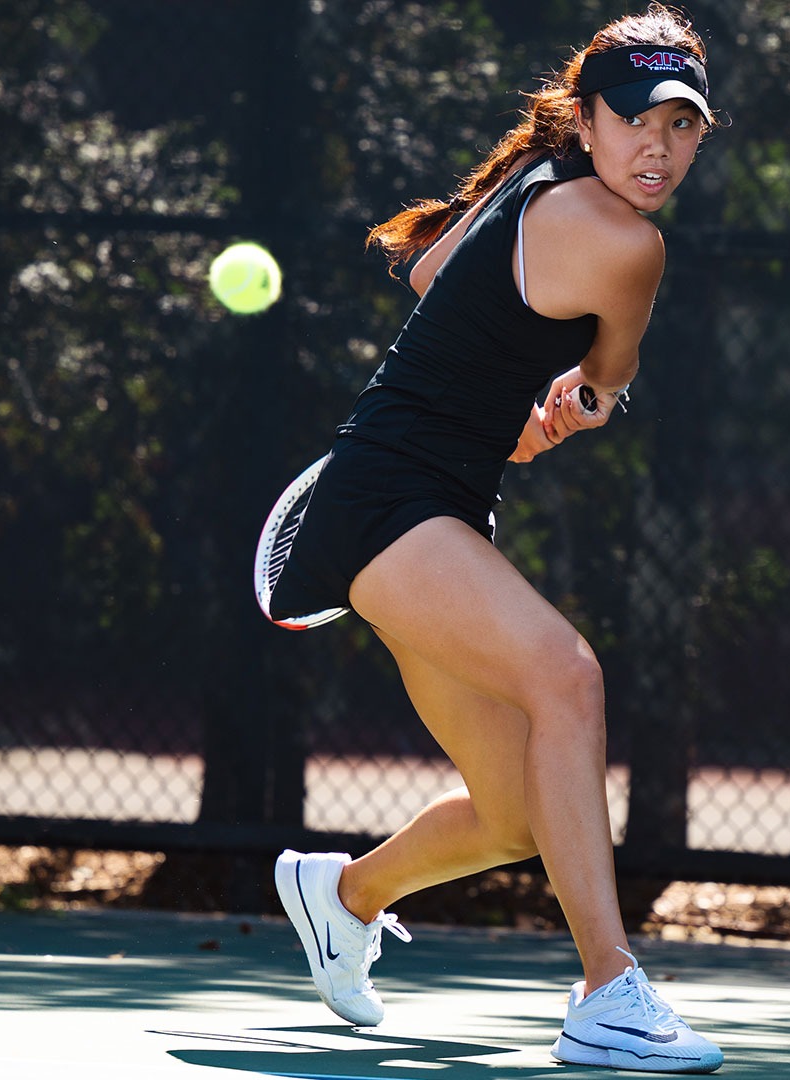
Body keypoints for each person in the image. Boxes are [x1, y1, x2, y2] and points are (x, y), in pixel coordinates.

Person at [261, 5, 725, 1074]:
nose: (657, 149)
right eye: (636, 121)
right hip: (392, 503)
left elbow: (437, 280)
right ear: (589, 117)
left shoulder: (527, 183)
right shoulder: (628, 246)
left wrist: (516, 411)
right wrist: (573, 405)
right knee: (568, 676)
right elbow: (606, 381)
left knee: (518, 818)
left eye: (683, 127)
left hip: (433, 503)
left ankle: (342, 895)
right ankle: (610, 991)